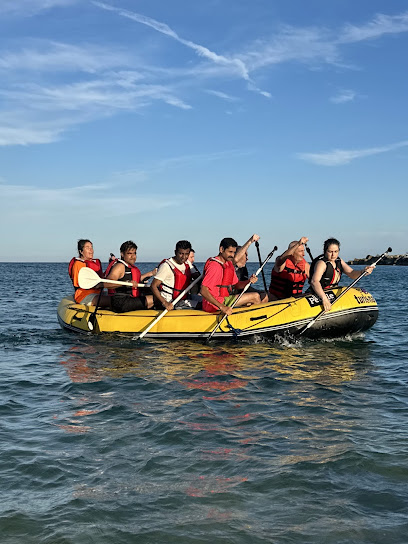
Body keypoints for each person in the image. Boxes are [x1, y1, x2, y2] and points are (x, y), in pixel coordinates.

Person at [309, 237, 375, 311]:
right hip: (319, 294)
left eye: (336, 251)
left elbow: (351, 273)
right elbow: (314, 281)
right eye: (330, 252)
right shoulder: (321, 263)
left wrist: (363, 271)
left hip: (331, 293)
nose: (333, 254)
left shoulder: (338, 261)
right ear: (325, 251)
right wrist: (324, 298)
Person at [200, 237, 261, 315]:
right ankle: (257, 320)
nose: (232, 255)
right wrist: (222, 307)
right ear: (221, 249)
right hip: (214, 304)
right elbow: (203, 290)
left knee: (249, 302)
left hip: (223, 299)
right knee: (255, 297)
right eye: (230, 252)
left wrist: (248, 281)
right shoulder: (214, 266)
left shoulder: (228, 264)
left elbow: (237, 285)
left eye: (234, 252)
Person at [106, 240, 156, 312]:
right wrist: (127, 283)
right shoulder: (120, 266)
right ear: (122, 254)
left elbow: (136, 279)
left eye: (134, 253)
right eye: (129, 253)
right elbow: (107, 283)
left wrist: (151, 273)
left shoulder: (129, 267)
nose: (133, 256)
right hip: (121, 302)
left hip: (130, 299)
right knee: (155, 298)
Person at [151, 240, 201, 310]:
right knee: (201, 305)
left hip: (184, 297)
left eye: (186, 254)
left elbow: (198, 278)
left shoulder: (187, 263)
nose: (183, 257)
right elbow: (153, 286)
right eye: (181, 253)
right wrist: (165, 303)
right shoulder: (166, 266)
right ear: (175, 252)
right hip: (172, 302)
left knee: (207, 302)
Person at [68, 239, 111, 307]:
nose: (91, 250)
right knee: (112, 300)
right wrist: (99, 285)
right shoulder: (77, 264)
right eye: (87, 248)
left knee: (117, 297)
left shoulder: (95, 263)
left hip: (98, 293)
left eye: (91, 247)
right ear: (81, 251)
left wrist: (111, 265)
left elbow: (102, 277)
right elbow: (78, 284)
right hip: (84, 295)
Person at [269, 236, 310, 300]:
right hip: (277, 299)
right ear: (292, 252)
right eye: (300, 251)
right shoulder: (281, 262)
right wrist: (298, 243)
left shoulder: (305, 266)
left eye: (303, 251)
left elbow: (314, 281)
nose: (303, 254)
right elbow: (281, 259)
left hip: (295, 300)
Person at [233, 234, 268, 302]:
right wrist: (250, 241)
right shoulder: (231, 266)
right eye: (246, 255)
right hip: (233, 293)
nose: (247, 258)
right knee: (255, 296)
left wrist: (250, 281)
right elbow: (236, 285)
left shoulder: (243, 268)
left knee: (264, 296)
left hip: (242, 290)